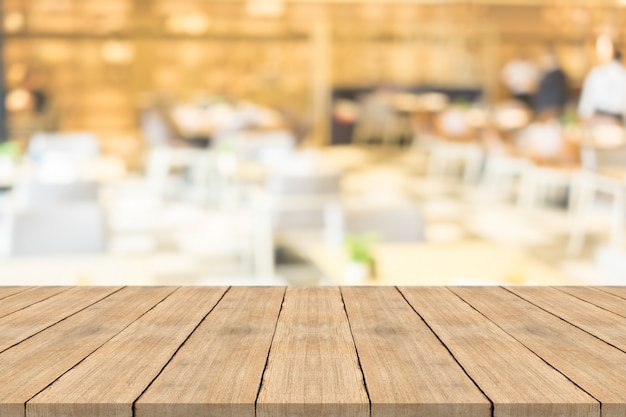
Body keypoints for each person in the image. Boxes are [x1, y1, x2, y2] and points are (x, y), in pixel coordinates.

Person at [578, 47, 626, 125]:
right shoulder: (623, 74)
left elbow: (586, 104)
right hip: (617, 123)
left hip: (597, 120)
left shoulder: (596, 72)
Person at [534, 50, 568, 119]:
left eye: (543, 61)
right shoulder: (554, 74)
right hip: (550, 107)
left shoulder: (555, 75)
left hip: (551, 108)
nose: (542, 63)